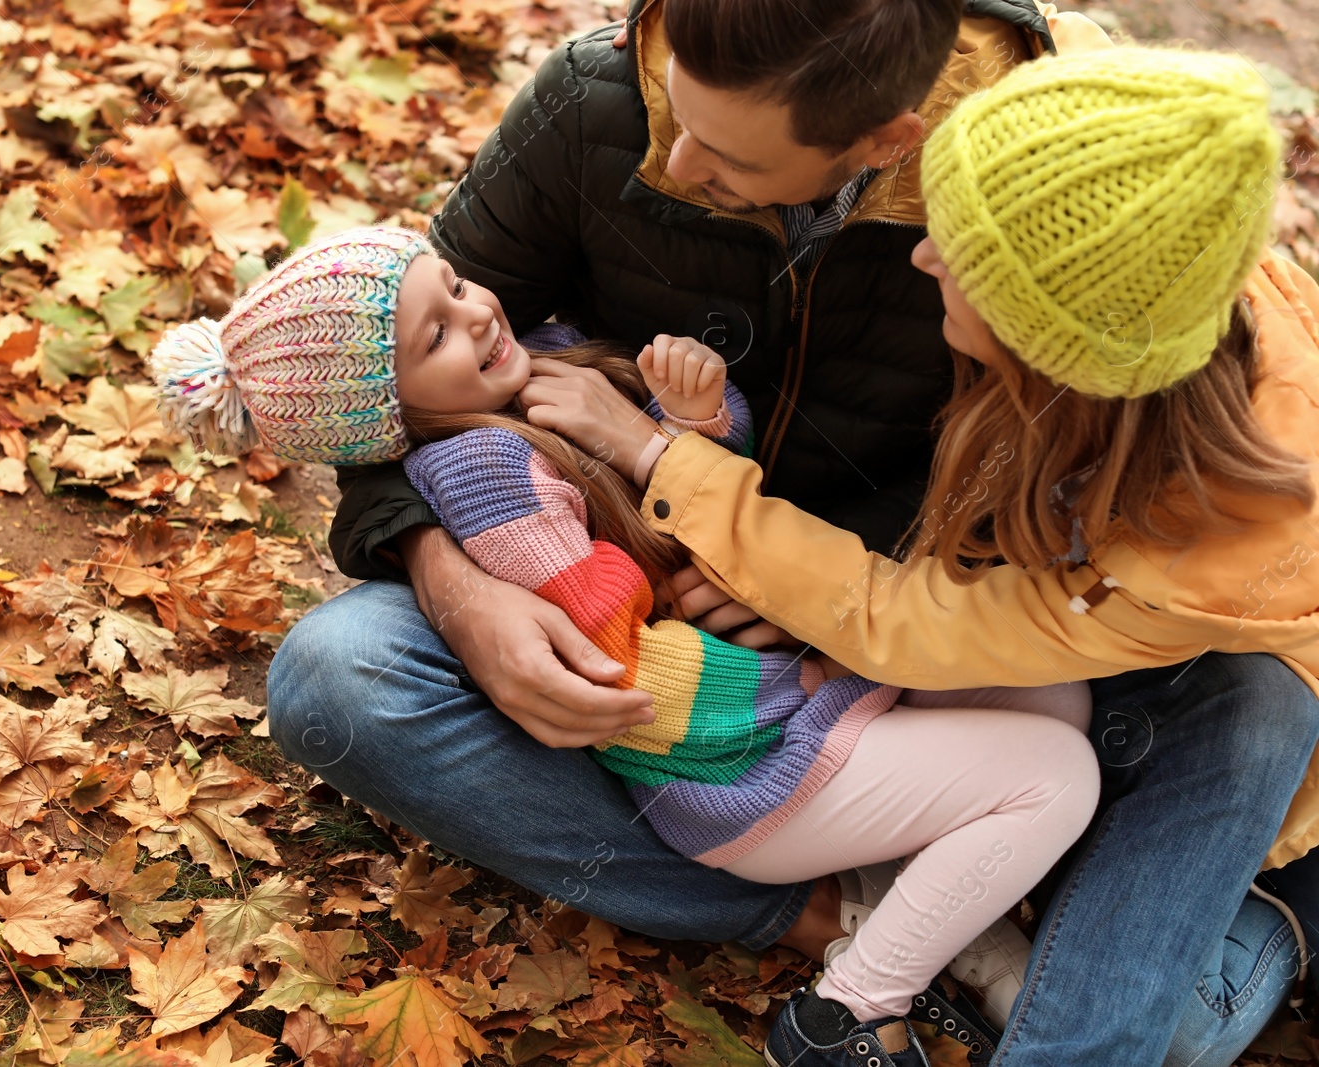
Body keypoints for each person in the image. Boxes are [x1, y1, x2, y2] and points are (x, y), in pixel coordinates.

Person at [268, 0, 1319, 1064]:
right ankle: (835, 921)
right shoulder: (597, 102)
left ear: (885, 145)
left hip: (913, 613)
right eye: (672, 102)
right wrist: (457, 582)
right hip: (666, 636)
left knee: (1248, 722)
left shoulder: (1024, 225)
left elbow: (1003, 537)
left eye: (721, 154)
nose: (670, 158)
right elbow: (378, 383)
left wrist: (751, 541)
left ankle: (1033, 902)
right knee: (338, 674)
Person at [148, 225, 1099, 1066]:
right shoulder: (485, 470)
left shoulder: (546, 361)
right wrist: (816, 659)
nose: (477, 317)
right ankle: (850, 1013)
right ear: (385, 418)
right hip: (737, 761)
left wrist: (695, 420)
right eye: (435, 335)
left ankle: (910, 891)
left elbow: (703, 486)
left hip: (791, 705)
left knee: (1051, 694)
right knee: (1056, 773)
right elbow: (625, 660)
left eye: (457, 287)